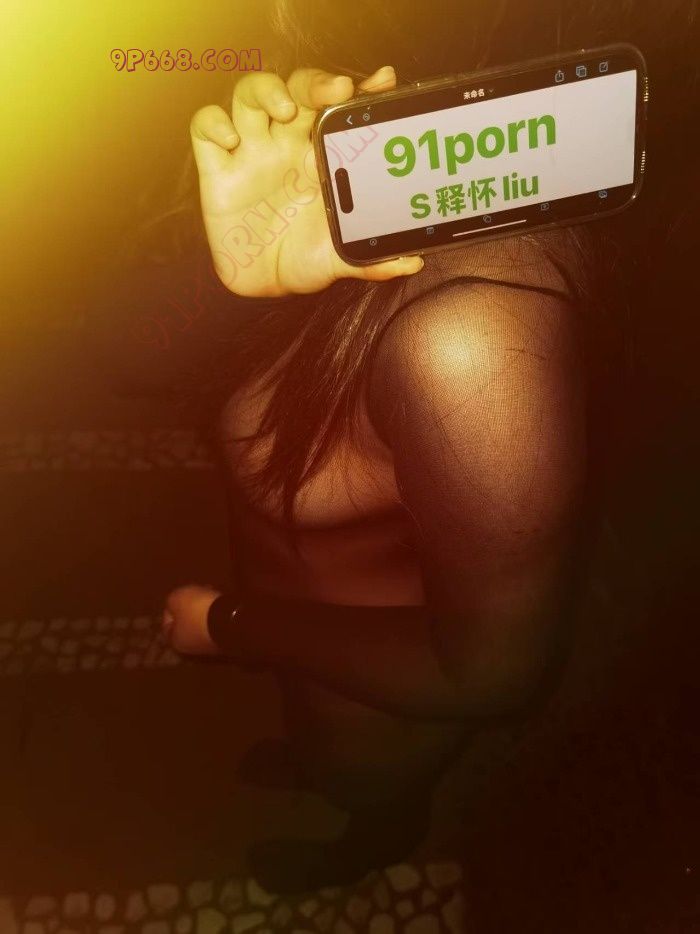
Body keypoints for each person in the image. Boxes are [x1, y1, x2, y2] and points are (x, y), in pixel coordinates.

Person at [106, 0, 637, 894]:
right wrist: (240, 258)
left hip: (377, 709)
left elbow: (491, 677)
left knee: (363, 792)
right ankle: (317, 771)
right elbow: (132, 370)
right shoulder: (357, 167)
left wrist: (232, 626)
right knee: (307, 752)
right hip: (302, 650)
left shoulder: (472, 336)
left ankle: (371, 846)